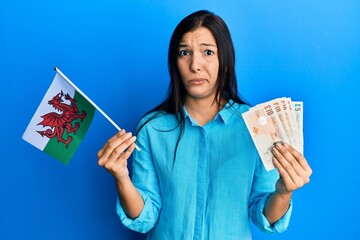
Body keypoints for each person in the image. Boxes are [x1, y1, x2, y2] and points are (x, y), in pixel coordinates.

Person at [97, 10, 312, 240]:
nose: (195, 65)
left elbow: (264, 216)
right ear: (174, 63)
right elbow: (145, 217)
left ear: (225, 62)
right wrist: (121, 177)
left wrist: (283, 191)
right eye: (184, 52)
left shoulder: (258, 126)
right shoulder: (152, 129)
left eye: (208, 52)